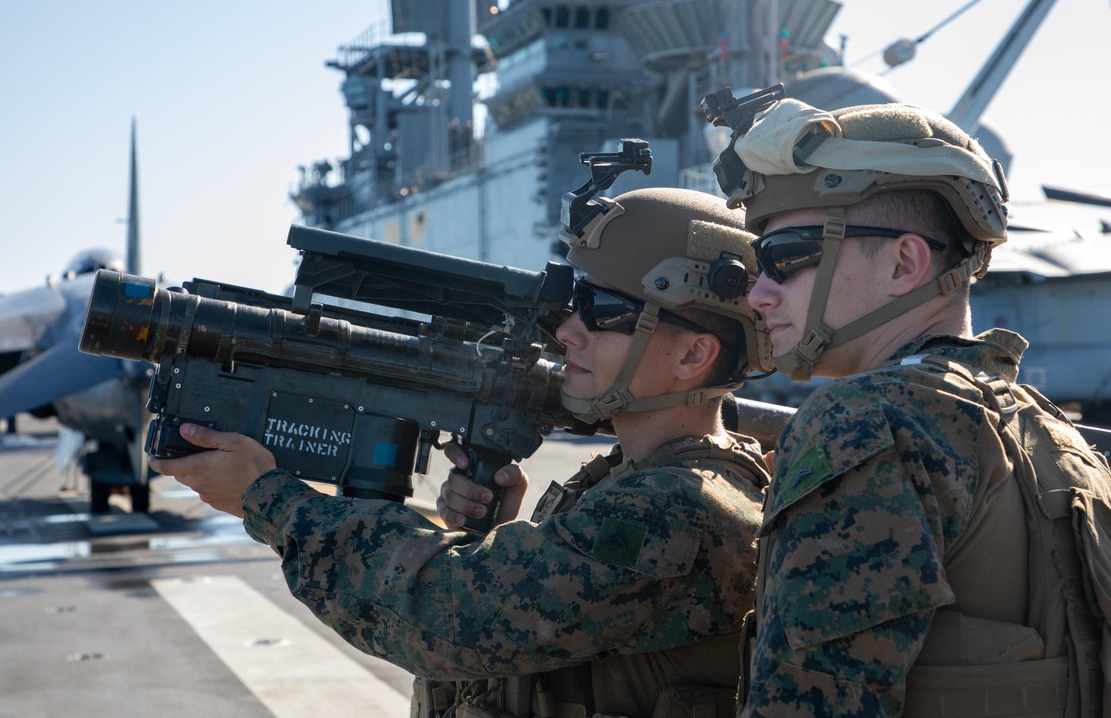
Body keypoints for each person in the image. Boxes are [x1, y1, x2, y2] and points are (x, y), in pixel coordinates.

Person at [148, 186, 772, 718]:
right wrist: (494, 537)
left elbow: (442, 614)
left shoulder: (678, 508)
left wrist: (272, 502)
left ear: (694, 356)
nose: (566, 331)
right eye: (571, 304)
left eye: (603, 311)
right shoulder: (633, 479)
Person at [716, 96, 1111, 716]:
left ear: (904, 262)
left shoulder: (865, 421)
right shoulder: (1047, 429)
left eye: (786, 258)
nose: (759, 293)